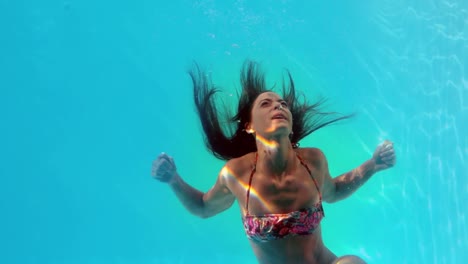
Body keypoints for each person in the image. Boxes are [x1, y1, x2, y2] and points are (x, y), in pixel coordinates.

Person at [152, 60, 396, 264]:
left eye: (282, 104)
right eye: (265, 104)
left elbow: (334, 191)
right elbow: (204, 207)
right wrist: (174, 180)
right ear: (249, 126)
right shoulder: (236, 174)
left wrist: (372, 165)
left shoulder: (313, 161)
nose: (278, 106)